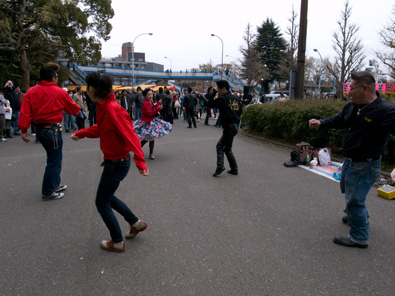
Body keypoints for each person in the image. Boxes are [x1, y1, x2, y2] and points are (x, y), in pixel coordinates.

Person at [309, 71, 395, 249]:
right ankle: (357, 214)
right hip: (350, 161)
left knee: (355, 199)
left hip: (366, 164)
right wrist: (321, 123)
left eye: (351, 88)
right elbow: (340, 119)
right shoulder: (352, 106)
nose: (348, 92)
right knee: (349, 191)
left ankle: (359, 236)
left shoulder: (385, 111)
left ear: (365, 88)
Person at [71, 72, 149, 253]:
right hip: (116, 162)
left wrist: (140, 161)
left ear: (91, 89)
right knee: (108, 197)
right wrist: (82, 133)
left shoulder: (113, 109)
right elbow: (101, 128)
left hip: (117, 163)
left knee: (101, 202)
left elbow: (131, 136)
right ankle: (135, 223)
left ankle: (117, 241)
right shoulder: (103, 106)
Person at [18, 62, 81, 200]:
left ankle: (54, 184)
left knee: (53, 158)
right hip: (53, 129)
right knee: (54, 160)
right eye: (57, 76)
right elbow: (73, 109)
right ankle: (48, 191)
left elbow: (25, 112)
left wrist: (23, 130)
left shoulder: (32, 91)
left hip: (40, 129)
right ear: (53, 78)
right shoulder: (59, 91)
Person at [207, 80, 243, 177]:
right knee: (227, 148)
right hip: (235, 125)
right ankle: (234, 169)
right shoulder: (236, 98)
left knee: (220, 146)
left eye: (218, 89)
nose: (217, 91)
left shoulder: (222, 99)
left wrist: (213, 93)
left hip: (228, 126)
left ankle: (220, 166)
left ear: (223, 88)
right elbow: (240, 111)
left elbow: (210, 104)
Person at [133, 88, 172, 160]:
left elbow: (153, 108)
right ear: (145, 96)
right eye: (149, 95)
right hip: (147, 122)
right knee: (147, 139)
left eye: (151, 94)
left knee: (151, 138)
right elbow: (150, 113)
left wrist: (157, 104)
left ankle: (149, 153)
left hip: (150, 121)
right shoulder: (146, 103)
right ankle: (138, 150)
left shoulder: (149, 101)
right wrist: (158, 109)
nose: (151, 96)